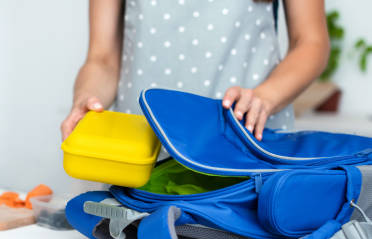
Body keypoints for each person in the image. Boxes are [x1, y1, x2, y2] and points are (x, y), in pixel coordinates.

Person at [61, 0, 329, 142]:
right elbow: (102, 59)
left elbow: (311, 42)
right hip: (141, 150)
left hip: (246, 146)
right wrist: (86, 99)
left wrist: (266, 97)